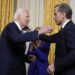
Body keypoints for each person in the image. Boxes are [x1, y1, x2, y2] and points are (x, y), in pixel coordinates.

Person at [0, 8, 52, 75]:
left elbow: (16, 52)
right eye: (27, 16)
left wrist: (27, 58)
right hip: (9, 70)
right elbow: (17, 38)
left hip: (18, 70)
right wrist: (38, 32)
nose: (29, 19)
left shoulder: (19, 31)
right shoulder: (10, 27)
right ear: (19, 17)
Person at [40, 3, 75, 75]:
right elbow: (50, 38)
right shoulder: (65, 29)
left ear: (63, 14)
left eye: (55, 14)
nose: (53, 17)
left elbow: (74, 54)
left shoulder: (70, 29)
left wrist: (55, 66)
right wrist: (36, 32)